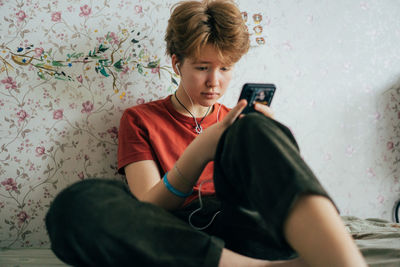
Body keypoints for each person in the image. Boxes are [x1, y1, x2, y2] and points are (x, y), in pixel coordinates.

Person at [45, 0, 367, 266]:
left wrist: (268, 135)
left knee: (254, 127)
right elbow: (148, 205)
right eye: (202, 68)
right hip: (180, 238)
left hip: (248, 225)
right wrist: (200, 151)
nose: (215, 81)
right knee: (76, 205)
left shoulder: (239, 124)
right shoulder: (140, 119)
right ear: (176, 63)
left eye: (225, 68)